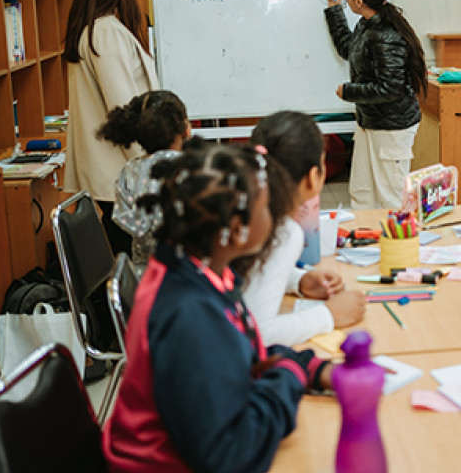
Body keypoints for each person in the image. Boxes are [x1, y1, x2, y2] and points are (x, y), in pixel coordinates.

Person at [103, 141, 332, 472]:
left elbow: (238, 347)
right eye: (268, 208)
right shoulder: (189, 313)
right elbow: (228, 456)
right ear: (237, 230)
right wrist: (289, 376)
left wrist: (309, 367)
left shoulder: (195, 268)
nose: (276, 216)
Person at [62, 0, 159, 256]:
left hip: (111, 172)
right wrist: (152, 164)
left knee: (121, 254)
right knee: (130, 257)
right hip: (121, 173)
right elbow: (124, 111)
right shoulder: (106, 32)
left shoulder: (95, 29)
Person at [244, 111, 366, 346]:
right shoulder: (283, 231)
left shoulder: (242, 203)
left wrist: (297, 281)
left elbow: (247, 274)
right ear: (313, 176)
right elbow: (258, 334)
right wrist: (329, 315)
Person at [324, 0, 428, 210]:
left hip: (392, 127)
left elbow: (390, 88)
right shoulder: (366, 24)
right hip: (370, 122)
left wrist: (349, 92)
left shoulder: (386, 35)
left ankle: (398, 246)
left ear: (359, 2)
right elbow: (348, 48)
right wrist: (334, 10)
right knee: (362, 192)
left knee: (390, 197)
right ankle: (369, 244)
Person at [96, 90, 191, 271]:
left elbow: (128, 223)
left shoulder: (129, 172)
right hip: (187, 280)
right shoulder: (192, 169)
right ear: (185, 130)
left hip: (142, 281)